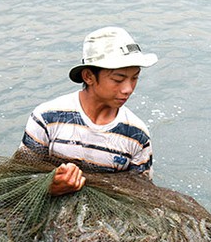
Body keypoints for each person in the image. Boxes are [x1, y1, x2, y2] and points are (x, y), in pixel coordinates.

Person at [20, 26, 157, 196]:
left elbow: (142, 195)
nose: (128, 89)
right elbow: (19, 179)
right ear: (88, 76)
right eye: (118, 79)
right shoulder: (47, 118)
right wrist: (50, 187)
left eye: (135, 78)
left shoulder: (136, 135)